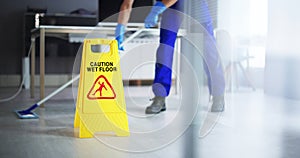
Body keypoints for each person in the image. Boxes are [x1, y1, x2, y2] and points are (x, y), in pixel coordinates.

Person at [115, 0, 225, 114]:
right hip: (171, 7)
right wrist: (120, 29)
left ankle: (218, 95)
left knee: (209, 50)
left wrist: (158, 8)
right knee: (165, 49)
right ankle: (160, 97)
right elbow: (127, 5)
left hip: (195, 4)